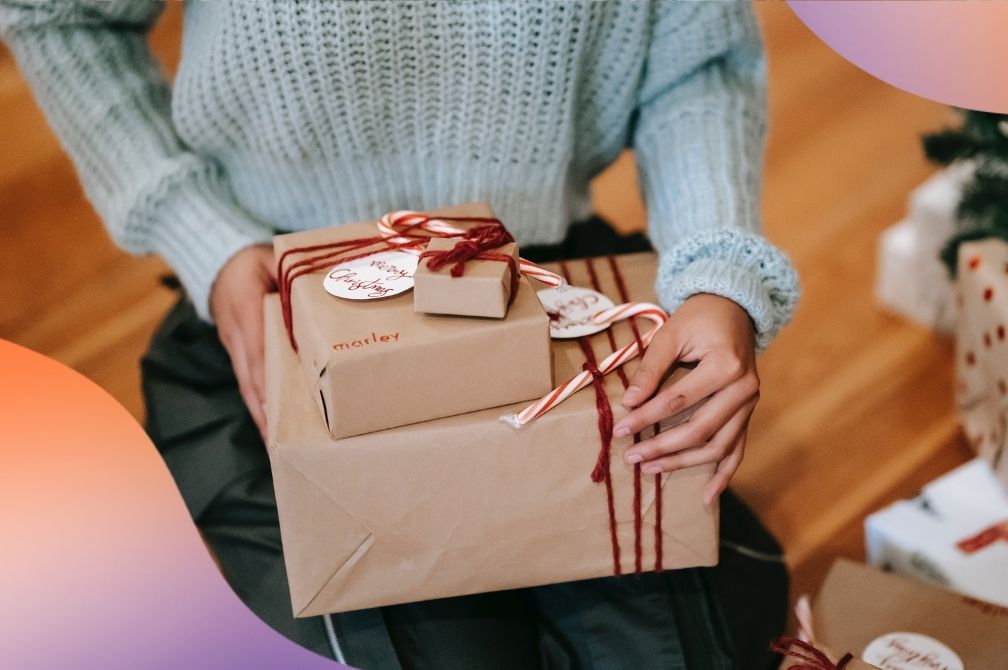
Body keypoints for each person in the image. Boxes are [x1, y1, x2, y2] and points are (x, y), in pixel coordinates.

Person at [2, 1, 799, 668]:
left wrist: (716, 273)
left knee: (682, 650)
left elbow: (699, 66)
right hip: (286, 295)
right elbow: (58, 14)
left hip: (529, 281)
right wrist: (199, 232)